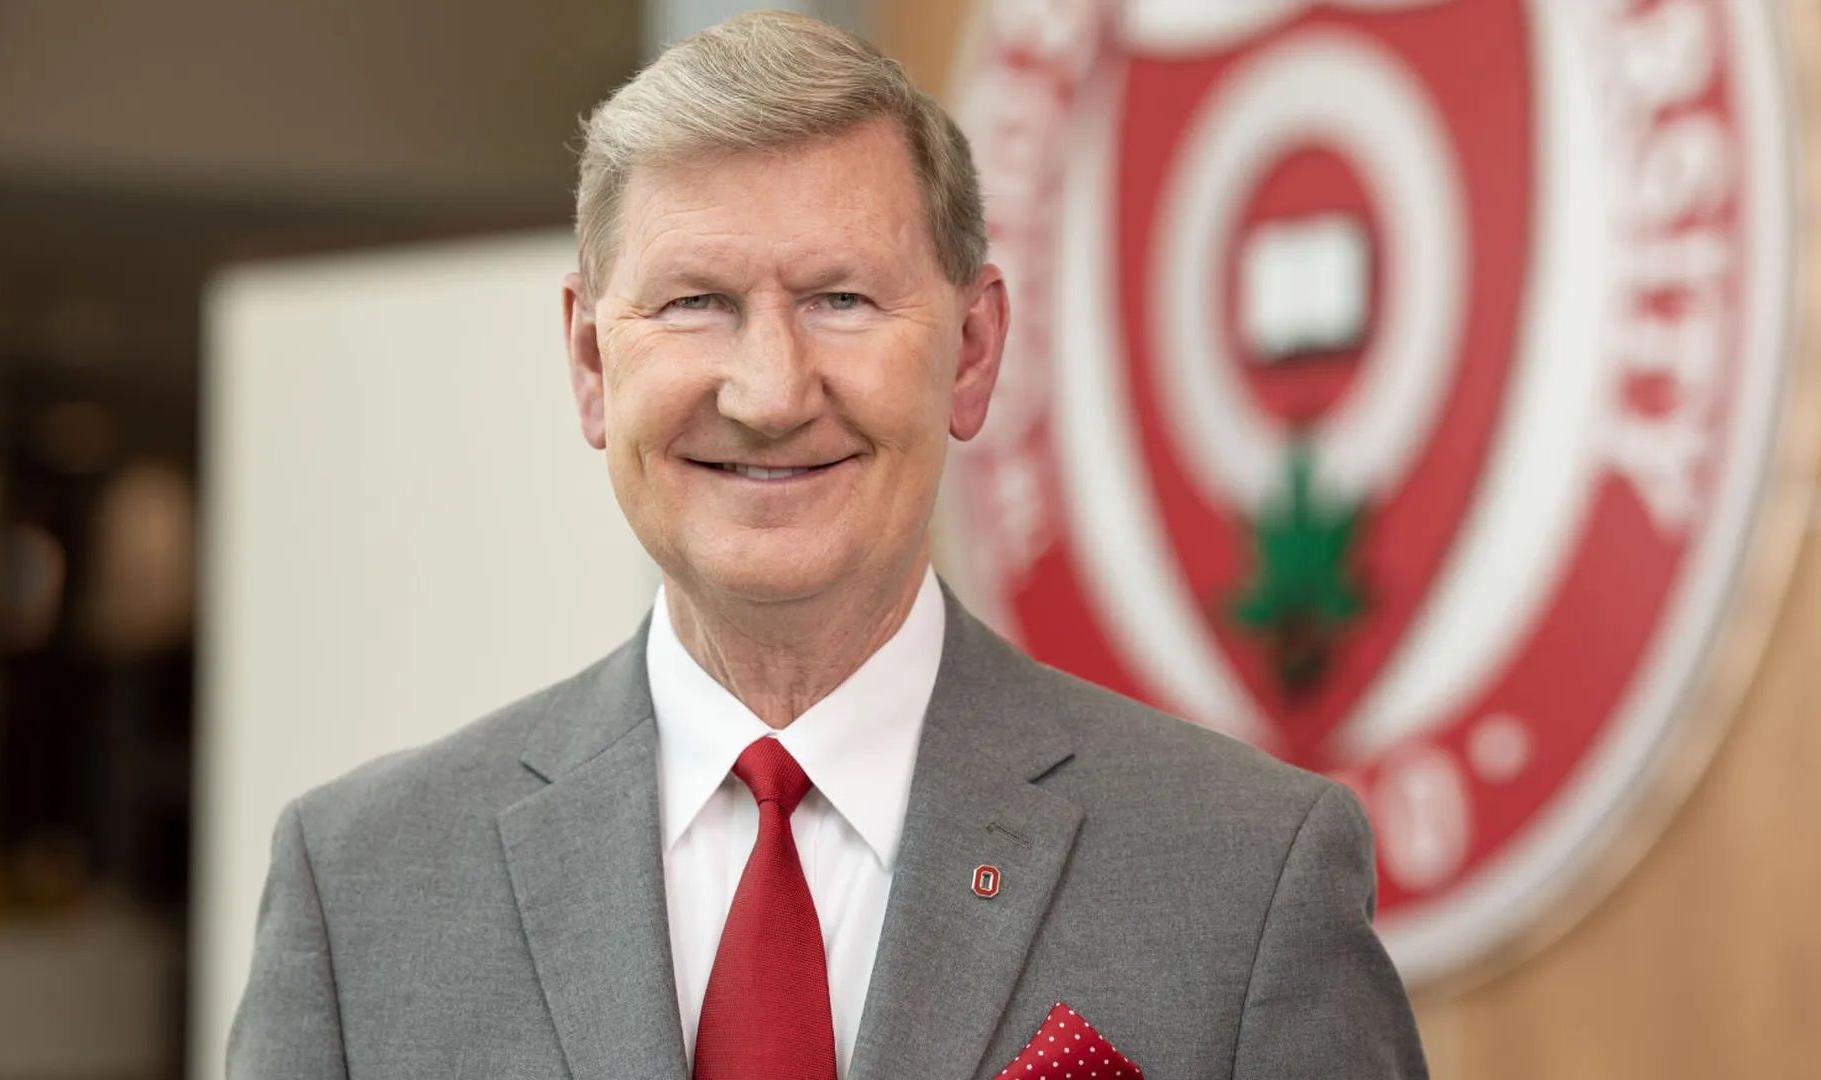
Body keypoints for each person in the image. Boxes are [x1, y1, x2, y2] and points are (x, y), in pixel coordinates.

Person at [228, 11, 1427, 1079]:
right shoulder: (364, 889)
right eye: (695, 302)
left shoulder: (1243, 881)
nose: (769, 393)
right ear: (591, 361)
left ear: (971, 351)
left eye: (840, 300)